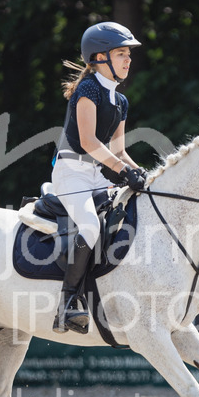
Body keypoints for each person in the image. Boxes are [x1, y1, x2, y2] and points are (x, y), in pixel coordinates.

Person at [51, 22, 147, 334]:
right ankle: (67, 303)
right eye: (121, 54)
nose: (128, 59)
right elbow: (89, 142)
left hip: (95, 175)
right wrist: (123, 171)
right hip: (70, 174)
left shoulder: (120, 101)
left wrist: (142, 174)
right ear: (99, 57)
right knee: (91, 227)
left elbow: (119, 151)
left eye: (129, 54)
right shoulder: (88, 89)